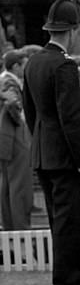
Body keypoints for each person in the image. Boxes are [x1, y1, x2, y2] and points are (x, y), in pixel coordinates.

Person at [22, 0, 80, 285]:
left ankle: (66, 274)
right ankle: (66, 279)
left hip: (42, 151)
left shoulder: (33, 61)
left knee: (58, 220)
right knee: (70, 221)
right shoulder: (64, 65)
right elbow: (70, 118)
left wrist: (41, 143)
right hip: (64, 156)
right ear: (72, 31)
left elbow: (30, 112)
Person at [0, 49, 32, 230]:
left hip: (5, 138)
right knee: (19, 184)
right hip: (14, 137)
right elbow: (12, 102)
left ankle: (10, 226)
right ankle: (21, 228)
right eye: (23, 65)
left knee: (6, 185)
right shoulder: (10, 81)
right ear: (16, 66)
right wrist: (20, 118)